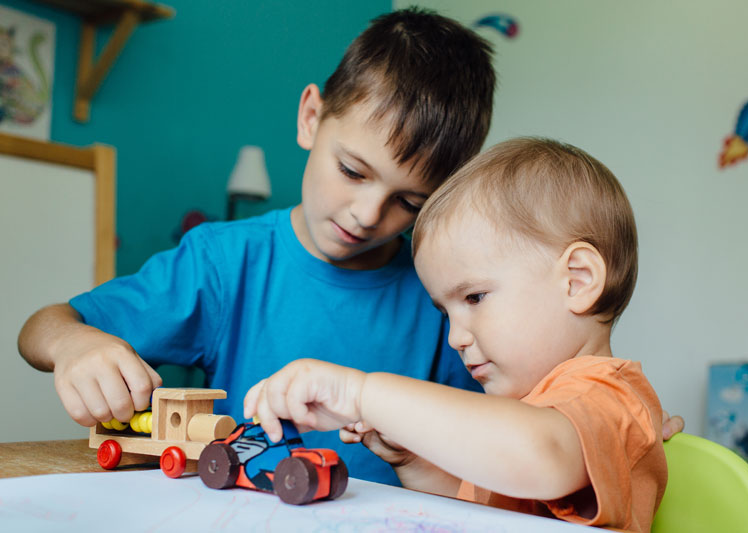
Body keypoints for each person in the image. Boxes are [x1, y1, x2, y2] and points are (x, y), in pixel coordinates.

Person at [16, 8, 495, 486]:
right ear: (311, 117)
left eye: (409, 202)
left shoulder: (443, 295)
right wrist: (73, 344)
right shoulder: (224, 263)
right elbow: (43, 327)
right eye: (352, 171)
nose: (368, 215)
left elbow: (487, 454)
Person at [244, 138, 668, 532]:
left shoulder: (611, 399)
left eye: (475, 297)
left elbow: (539, 454)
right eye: (446, 312)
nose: (455, 338)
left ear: (577, 281)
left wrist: (361, 393)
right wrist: (413, 460)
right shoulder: (528, 416)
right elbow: (478, 513)